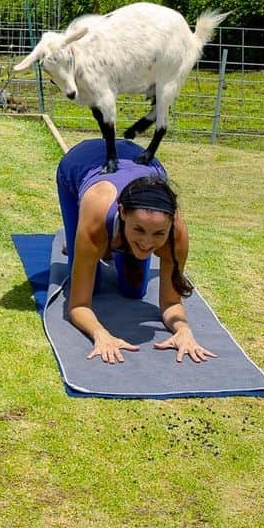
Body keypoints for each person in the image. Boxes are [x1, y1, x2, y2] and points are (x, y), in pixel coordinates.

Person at [55, 137, 217, 366]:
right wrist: (100, 334)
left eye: (158, 234)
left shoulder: (176, 235)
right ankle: (80, 244)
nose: (147, 243)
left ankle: (110, 246)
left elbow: (171, 303)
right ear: (122, 212)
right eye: (139, 229)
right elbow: (79, 305)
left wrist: (183, 329)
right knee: (95, 286)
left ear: (171, 223)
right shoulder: (96, 212)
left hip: (138, 160)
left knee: (134, 290)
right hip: (80, 163)